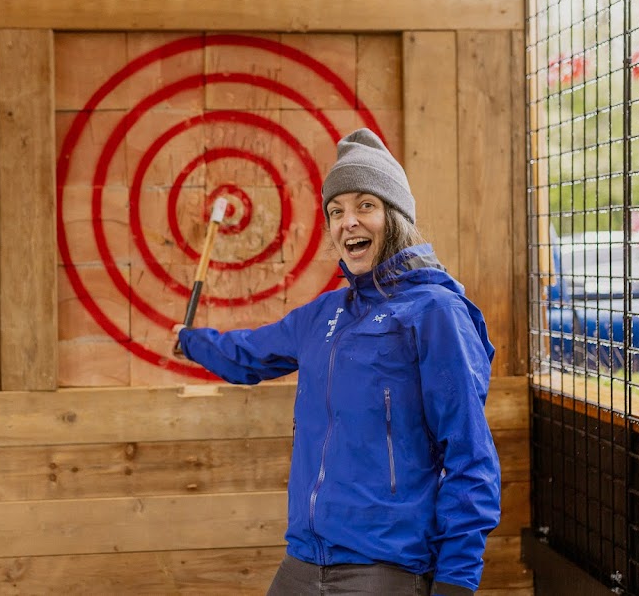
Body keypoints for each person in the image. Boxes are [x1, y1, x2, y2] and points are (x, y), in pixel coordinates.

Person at [173, 128, 501, 596]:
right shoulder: (324, 315)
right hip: (304, 561)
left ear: (396, 217)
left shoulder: (434, 313)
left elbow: (470, 458)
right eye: (336, 210)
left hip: (385, 568)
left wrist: (455, 584)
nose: (348, 221)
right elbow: (247, 353)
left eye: (365, 205)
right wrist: (192, 342)